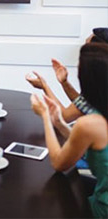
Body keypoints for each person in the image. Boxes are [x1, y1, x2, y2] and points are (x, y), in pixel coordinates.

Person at [30, 43, 108, 218]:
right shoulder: (97, 116)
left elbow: (58, 163)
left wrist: (45, 116)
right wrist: (57, 121)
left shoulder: (90, 124)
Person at [26, 27, 108, 124]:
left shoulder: (98, 87)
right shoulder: (100, 87)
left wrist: (44, 86)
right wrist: (64, 83)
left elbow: (63, 117)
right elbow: (84, 105)